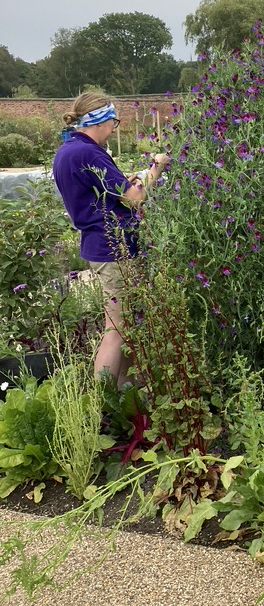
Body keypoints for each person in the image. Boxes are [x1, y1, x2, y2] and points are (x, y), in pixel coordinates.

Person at [52, 91, 170, 387]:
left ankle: (124, 396)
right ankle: (102, 401)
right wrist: (156, 168)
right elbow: (134, 199)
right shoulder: (89, 153)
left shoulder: (68, 150)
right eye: (113, 123)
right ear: (100, 121)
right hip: (114, 248)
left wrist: (123, 183)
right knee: (116, 329)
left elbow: (97, 192)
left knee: (125, 327)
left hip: (99, 244)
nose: (113, 130)